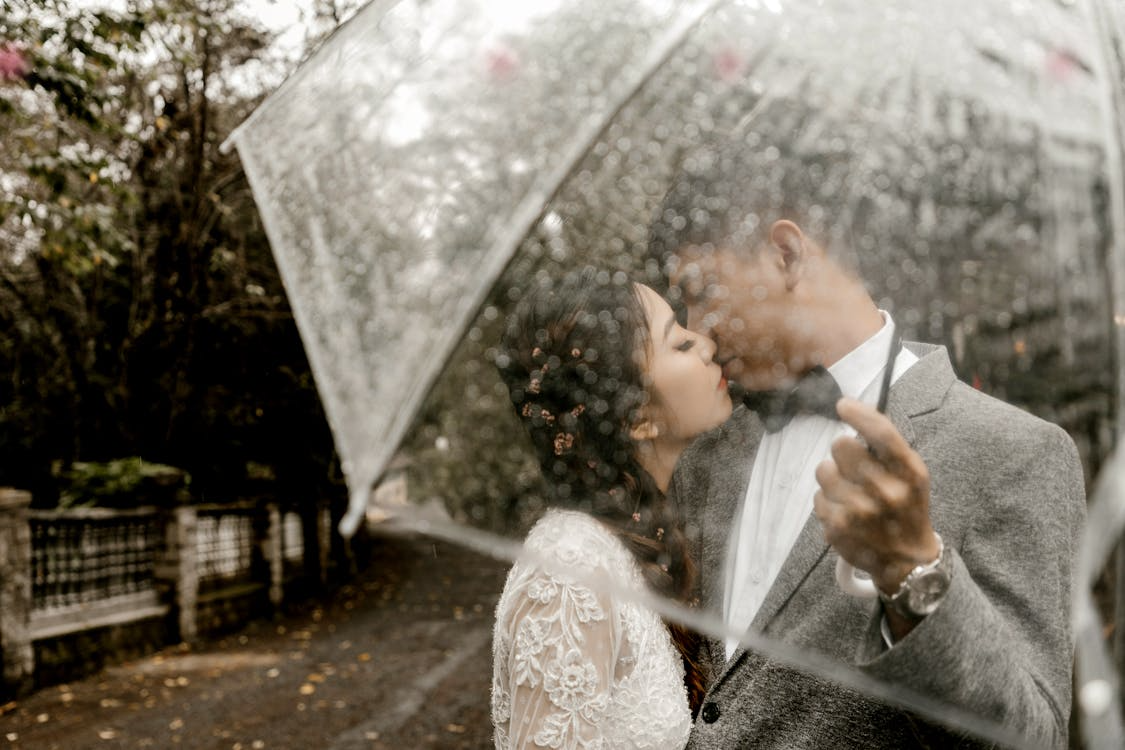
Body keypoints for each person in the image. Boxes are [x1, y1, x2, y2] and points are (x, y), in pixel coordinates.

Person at [648, 133, 1087, 749]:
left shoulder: (1015, 455)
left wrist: (916, 574)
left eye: (699, 291)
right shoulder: (709, 461)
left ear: (785, 254)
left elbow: (1033, 738)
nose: (699, 330)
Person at [490, 266, 733, 749]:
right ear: (638, 418)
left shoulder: (642, 537)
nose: (706, 344)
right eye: (680, 344)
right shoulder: (568, 571)